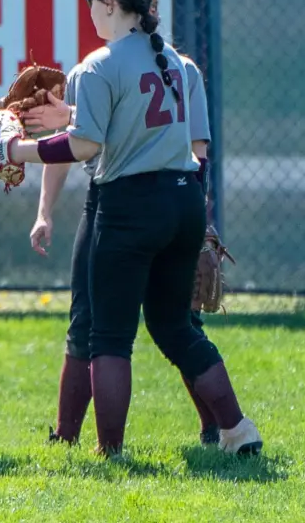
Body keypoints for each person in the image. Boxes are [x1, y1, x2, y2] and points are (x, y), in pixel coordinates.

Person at [0, 0, 262, 457]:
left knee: (108, 336)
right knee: (176, 326)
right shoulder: (178, 63)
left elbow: (84, 145)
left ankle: (109, 451)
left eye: (92, 0)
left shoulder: (98, 65)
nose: (89, 9)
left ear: (109, 3)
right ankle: (237, 429)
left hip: (128, 204)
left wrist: (17, 150)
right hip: (182, 200)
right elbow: (183, 143)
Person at [23, 49, 222, 447]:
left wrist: (197, 223)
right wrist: (43, 212)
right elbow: (68, 147)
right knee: (93, 319)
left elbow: (196, 149)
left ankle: (215, 428)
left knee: (158, 325)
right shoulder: (97, 70)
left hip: (140, 199)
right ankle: (65, 436)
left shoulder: (168, 68)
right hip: (144, 198)